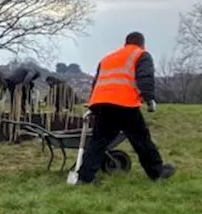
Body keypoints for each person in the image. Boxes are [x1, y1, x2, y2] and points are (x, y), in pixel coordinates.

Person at [73, 32, 175, 185]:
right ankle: (157, 172)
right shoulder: (141, 54)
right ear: (142, 44)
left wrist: (94, 104)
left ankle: (84, 178)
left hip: (101, 103)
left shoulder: (108, 58)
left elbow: (96, 82)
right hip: (124, 103)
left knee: (98, 141)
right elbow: (145, 77)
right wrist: (149, 99)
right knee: (141, 138)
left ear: (125, 43)